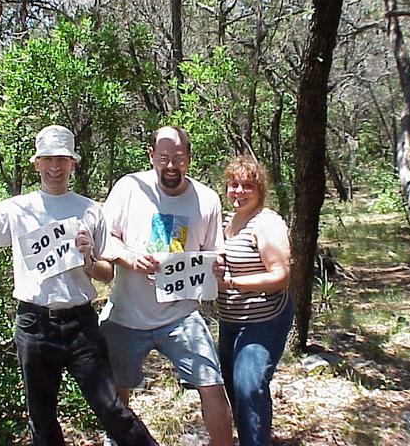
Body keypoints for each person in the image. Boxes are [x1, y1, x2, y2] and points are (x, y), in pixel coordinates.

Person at [0, 125, 157, 446]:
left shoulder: (89, 209)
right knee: (42, 418)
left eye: (62, 159)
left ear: (73, 163)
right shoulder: (18, 209)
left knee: (112, 409)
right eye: (48, 159)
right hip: (34, 326)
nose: (55, 167)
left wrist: (87, 258)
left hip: (81, 325)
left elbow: (105, 274)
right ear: (36, 163)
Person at [99, 126, 234, 446]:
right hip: (126, 314)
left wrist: (217, 267)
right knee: (117, 390)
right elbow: (104, 239)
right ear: (151, 156)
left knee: (212, 384)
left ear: (188, 158)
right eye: (163, 158)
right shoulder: (129, 188)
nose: (171, 165)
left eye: (178, 158)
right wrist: (131, 259)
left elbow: (215, 254)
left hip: (181, 315)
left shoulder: (206, 199)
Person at [217, 155, 294, 446]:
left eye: (247, 185)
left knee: (249, 387)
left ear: (259, 189)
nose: (238, 191)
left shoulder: (267, 223)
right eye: (233, 185)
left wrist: (234, 283)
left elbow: (281, 276)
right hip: (230, 320)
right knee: (234, 389)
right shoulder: (228, 222)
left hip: (264, 321)